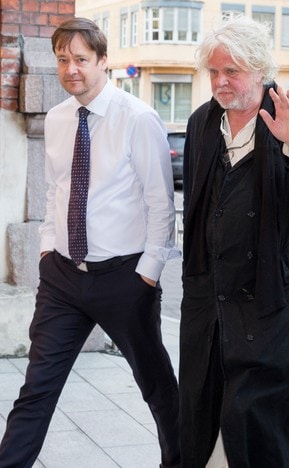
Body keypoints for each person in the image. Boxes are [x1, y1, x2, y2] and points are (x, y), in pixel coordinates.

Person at [0, 17, 181, 468]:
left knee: (155, 385)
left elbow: (161, 203)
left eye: (81, 59)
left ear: (103, 61)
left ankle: (180, 461)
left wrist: (147, 275)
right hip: (62, 277)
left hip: (125, 278)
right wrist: (46, 251)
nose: (71, 69)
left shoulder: (138, 118)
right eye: (63, 59)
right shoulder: (60, 118)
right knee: (37, 387)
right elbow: (55, 190)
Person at [179, 15, 289, 468]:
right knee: (206, 414)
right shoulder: (202, 122)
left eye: (230, 71)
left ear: (258, 68)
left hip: (278, 307)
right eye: (213, 71)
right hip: (214, 305)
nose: (220, 81)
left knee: (263, 423)